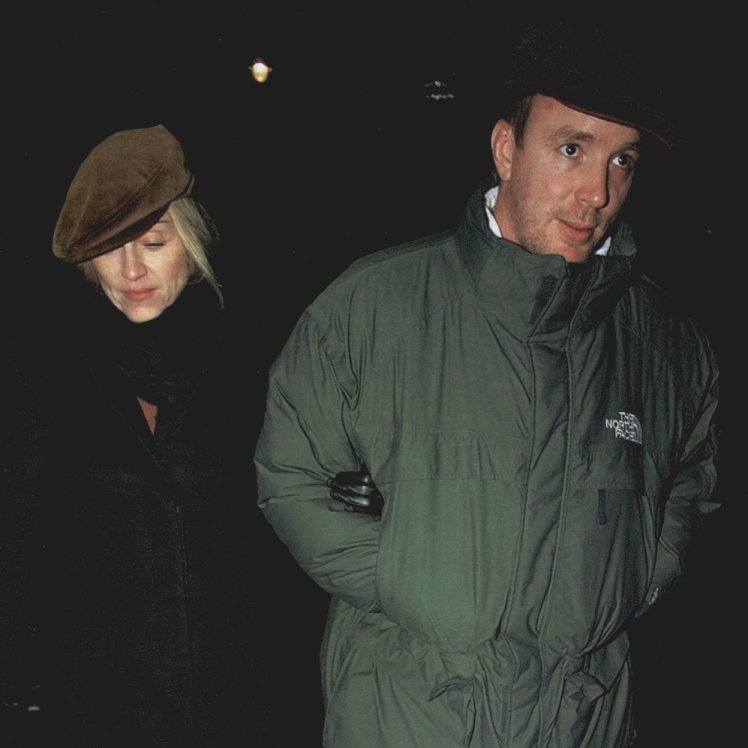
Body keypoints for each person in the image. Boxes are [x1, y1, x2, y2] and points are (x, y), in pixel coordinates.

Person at [253, 23, 721, 748]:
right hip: (409, 713)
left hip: (586, 718)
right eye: (571, 149)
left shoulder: (666, 340)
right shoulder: (374, 305)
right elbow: (291, 476)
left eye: (622, 160)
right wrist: (404, 579)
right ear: (507, 148)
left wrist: (642, 573)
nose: (597, 191)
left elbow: (692, 476)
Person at [0, 124, 323, 746]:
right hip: (101, 707)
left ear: (191, 243)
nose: (131, 270)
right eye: (109, 248)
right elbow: (19, 537)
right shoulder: (44, 372)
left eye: (152, 242)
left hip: (246, 697)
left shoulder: (258, 360)